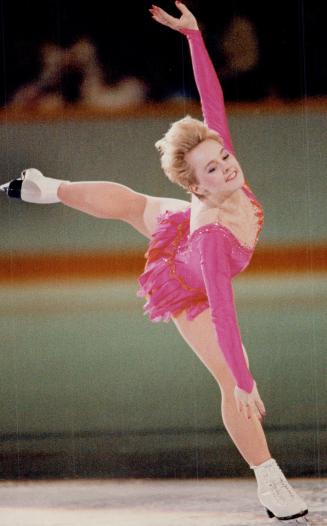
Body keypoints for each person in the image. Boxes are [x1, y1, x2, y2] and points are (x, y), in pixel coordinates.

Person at [0, 1, 309, 523]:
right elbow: (223, 310)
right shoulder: (210, 236)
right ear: (196, 185)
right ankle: (269, 479)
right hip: (187, 281)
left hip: (189, 227)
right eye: (213, 167)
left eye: (225, 157)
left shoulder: (227, 174)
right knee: (232, 379)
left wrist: (194, 38)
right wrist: (244, 380)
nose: (228, 167)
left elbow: (213, 106)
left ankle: (45, 187)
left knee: (137, 205)